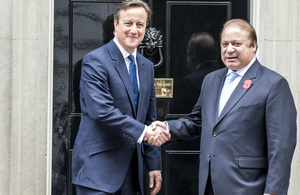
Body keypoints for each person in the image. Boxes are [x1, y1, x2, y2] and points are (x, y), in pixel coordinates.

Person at [149, 19, 297, 195]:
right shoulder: (211, 80)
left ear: (253, 46)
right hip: (208, 184)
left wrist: (274, 191)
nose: (229, 49)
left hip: (248, 187)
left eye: (237, 43)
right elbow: (197, 122)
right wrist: (166, 127)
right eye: (225, 44)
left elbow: (281, 146)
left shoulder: (274, 84)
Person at [72, 1, 170, 195]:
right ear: (116, 25)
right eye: (128, 23)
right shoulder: (95, 61)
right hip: (98, 172)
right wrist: (144, 132)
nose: (134, 30)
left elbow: (149, 118)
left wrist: (154, 165)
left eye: (140, 25)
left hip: (134, 175)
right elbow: (102, 111)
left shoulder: (146, 67)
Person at [171, 32, 223, 113]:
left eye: (188, 54)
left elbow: (177, 115)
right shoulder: (228, 76)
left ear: (193, 56)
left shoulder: (187, 83)